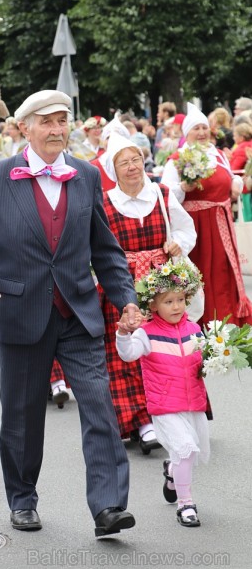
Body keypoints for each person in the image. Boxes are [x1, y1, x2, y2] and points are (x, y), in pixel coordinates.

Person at [0, 89, 141, 538]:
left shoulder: (86, 175)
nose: (58, 129)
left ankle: (109, 506)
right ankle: (22, 499)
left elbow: (106, 249)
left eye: (63, 121)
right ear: (25, 128)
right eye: (48, 122)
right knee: (21, 415)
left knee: (99, 406)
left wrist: (126, 300)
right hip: (21, 312)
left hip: (79, 313)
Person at [96, 132, 197, 452]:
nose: (132, 166)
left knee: (165, 349)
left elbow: (186, 228)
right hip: (120, 284)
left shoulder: (162, 194)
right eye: (123, 162)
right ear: (113, 170)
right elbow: (93, 246)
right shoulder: (105, 203)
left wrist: (178, 243)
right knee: (124, 353)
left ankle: (171, 413)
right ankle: (139, 419)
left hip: (162, 285)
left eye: (136, 159)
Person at [116, 258, 209, 527]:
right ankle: (186, 505)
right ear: (153, 305)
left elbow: (203, 361)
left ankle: (171, 471)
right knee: (186, 450)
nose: (176, 306)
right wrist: (123, 334)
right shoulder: (147, 333)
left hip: (193, 404)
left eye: (180, 299)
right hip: (165, 406)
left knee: (185, 454)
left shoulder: (194, 330)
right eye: (168, 301)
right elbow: (128, 354)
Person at [161, 102, 252, 326]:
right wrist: (182, 188)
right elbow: (165, 196)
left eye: (204, 128)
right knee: (202, 279)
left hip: (222, 226)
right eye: (196, 129)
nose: (201, 133)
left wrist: (235, 183)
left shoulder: (218, 154)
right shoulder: (177, 160)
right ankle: (204, 331)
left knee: (224, 276)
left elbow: (231, 176)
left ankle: (230, 329)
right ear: (187, 133)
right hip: (198, 230)